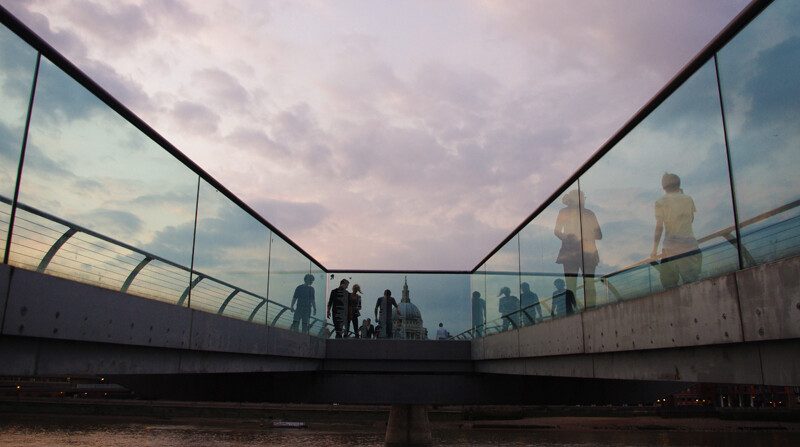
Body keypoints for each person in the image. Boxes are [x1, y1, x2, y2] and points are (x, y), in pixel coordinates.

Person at [651, 173, 702, 288]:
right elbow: (691, 219)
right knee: (693, 284)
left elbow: (659, 227)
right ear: (679, 185)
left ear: (664, 186)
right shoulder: (688, 199)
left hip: (671, 246)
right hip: (689, 244)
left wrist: (654, 250)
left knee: (669, 284)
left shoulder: (660, 202)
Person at [554, 189, 602, 309]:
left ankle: (572, 309)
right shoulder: (588, 213)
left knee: (573, 285)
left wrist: (568, 237)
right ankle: (588, 308)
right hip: (584, 252)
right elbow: (599, 234)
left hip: (574, 252)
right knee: (587, 283)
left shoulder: (566, 212)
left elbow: (557, 232)